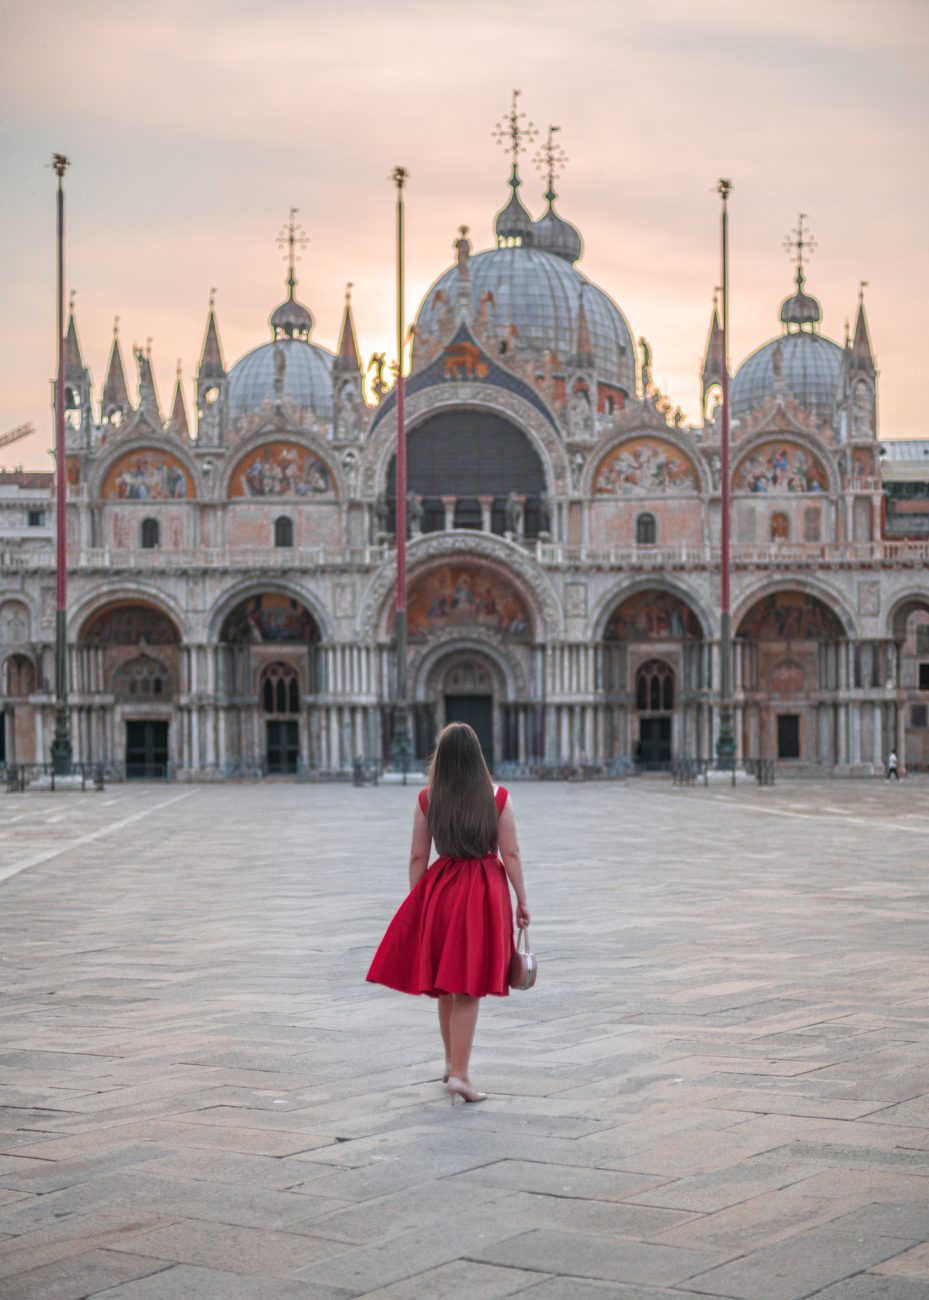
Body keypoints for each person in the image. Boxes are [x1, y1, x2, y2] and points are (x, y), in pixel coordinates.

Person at [366, 722, 530, 1104]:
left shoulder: (427, 798)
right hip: (483, 891)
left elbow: (417, 855)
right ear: (477, 756)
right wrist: (522, 900)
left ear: (441, 758)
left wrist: (418, 901)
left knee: (446, 983)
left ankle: (449, 1063)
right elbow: (512, 854)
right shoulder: (498, 797)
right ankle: (460, 1074)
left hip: (441, 890)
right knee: (469, 986)